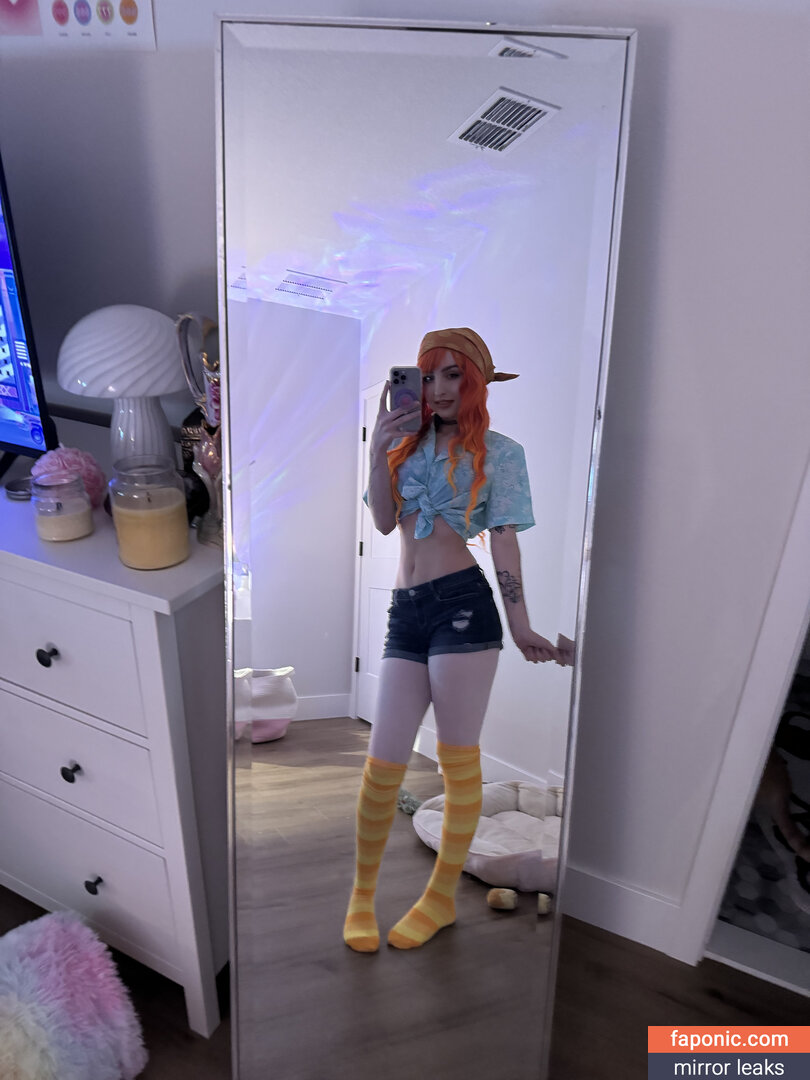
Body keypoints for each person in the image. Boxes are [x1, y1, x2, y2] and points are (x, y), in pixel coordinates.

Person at [343, 327, 565, 953]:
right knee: (382, 764)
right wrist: (377, 450)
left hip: (464, 608)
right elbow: (384, 523)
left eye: (453, 375)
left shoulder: (501, 452)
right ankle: (361, 897)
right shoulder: (403, 444)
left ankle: (439, 900)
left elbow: (505, 541)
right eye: (428, 375)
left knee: (456, 758)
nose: (439, 389)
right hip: (407, 610)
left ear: (475, 383)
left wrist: (521, 626)